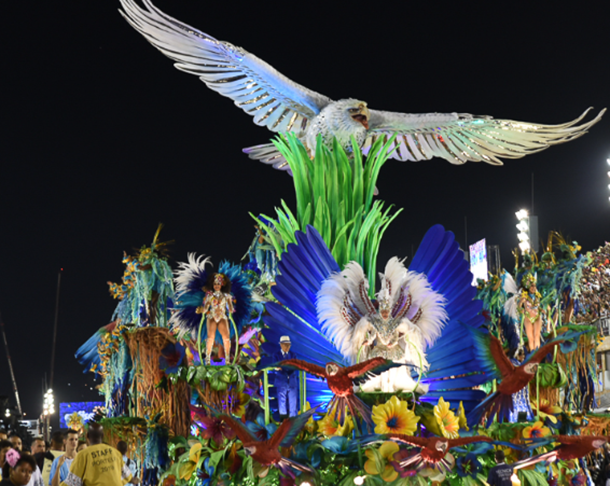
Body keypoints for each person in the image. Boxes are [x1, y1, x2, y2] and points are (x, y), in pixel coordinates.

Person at [60, 423, 139, 486]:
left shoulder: (83, 455)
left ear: (87, 436)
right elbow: (127, 475)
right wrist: (133, 480)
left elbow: (72, 482)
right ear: (103, 436)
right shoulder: (115, 453)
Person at [196, 273, 235, 365]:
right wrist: (201, 310)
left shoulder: (226, 296)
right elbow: (206, 308)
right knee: (210, 338)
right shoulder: (209, 296)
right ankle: (208, 359)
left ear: (222, 284)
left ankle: (228, 359)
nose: (216, 286)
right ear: (212, 285)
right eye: (215, 284)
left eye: (218, 284)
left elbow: (231, 308)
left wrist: (230, 308)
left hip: (222, 316)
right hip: (212, 316)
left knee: (226, 338)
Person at [272, 336, 299, 420]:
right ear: (281, 345)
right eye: (285, 345)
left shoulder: (293, 355)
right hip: (281, 380)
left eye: (288, 345)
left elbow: (295, 366)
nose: (287, 347)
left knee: (293, 401)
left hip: (292, 380)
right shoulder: (276, 355)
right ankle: (283, 421)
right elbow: (275, 366)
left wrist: (283, 367)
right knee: (282, 401)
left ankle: (293, 420)